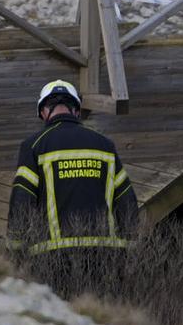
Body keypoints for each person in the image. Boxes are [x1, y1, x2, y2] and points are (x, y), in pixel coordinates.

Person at [7, 80, 139, 298]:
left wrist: (15, 251)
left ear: (43, 112)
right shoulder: (105, 145)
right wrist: (130, 252)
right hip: (105, 255)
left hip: (52, 258)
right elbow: (126, 202)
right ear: (76, 110)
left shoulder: (34, 146)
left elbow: (22, 201)